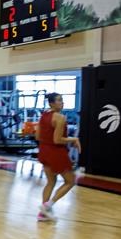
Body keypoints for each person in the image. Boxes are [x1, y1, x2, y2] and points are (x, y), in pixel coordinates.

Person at [37, 92, 81, 221]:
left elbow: (38, 136)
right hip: (56, 152)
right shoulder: (60, 118)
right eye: (59, 100)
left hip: (44, 150)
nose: (62, 102)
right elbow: (57, 140)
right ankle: (48, 206)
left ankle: (43, 214)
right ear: (51, 103)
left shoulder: (44, 115)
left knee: (51, 181)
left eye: (62, 100)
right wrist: (74, 139)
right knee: (71, 181)